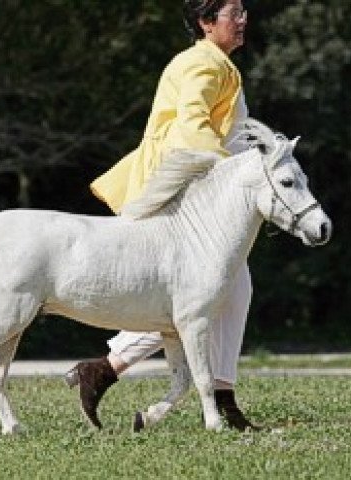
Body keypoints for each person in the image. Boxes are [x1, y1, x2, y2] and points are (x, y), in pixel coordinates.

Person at [68, 0, 259, 431]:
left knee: (226, 287)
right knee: (209, 290)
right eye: (235, 13)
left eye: (245, 12)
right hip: (179, 188)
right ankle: (217, 397)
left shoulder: (217, 63)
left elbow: (235, 133)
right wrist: (228, 174)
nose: (244, 20)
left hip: (195, 187)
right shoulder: (202, 64)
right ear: (207, 23)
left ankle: (108, 369)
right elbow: (193, 122)